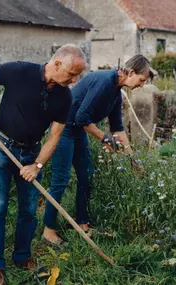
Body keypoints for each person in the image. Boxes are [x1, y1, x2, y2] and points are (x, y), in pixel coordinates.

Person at [0, 44, 86, 285]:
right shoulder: (20, 71)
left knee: (29, 210)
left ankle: (22, 256)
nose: (74, 80)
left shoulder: (64, 96)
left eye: (78, 75)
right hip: (0, 148)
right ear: (56, 64)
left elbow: (54, 136)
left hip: (32, 153)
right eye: (72, 74)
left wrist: (38, 166)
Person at [42, 54, 154, 246]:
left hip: (78, 130)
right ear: (132, 72)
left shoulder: (117, 92)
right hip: (64, 128)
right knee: (61, 180)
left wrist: (132, 159)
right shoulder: (104, 81)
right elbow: (81, 117)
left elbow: (118, 128)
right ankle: (48, 230)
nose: (141, 85)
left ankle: (82, 222)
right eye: (141, 80)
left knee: (86, 175)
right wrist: (103, 138)